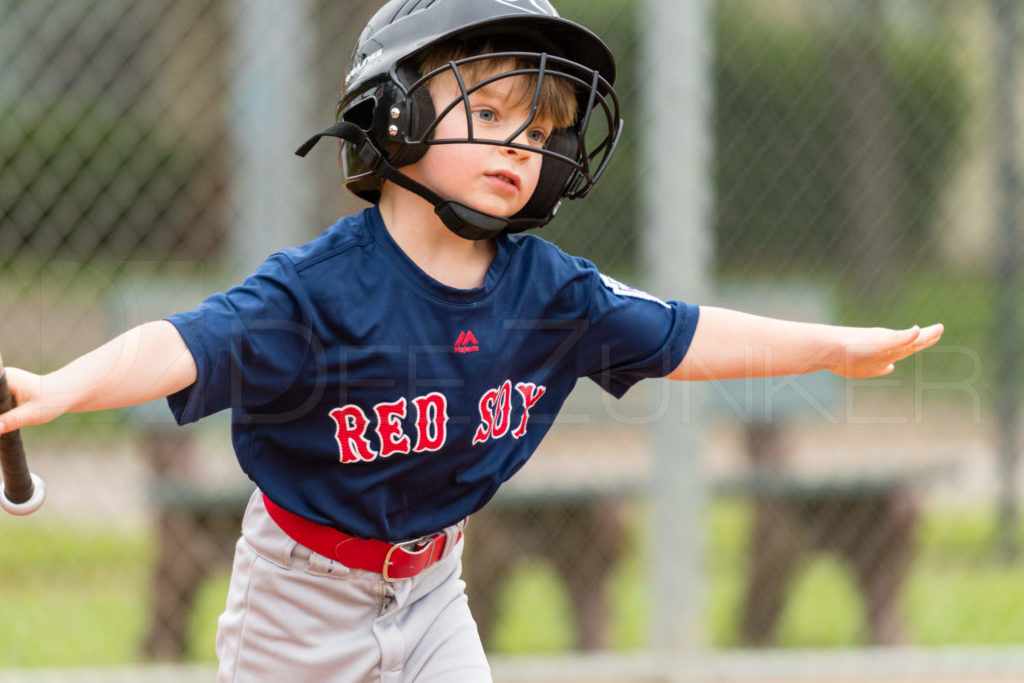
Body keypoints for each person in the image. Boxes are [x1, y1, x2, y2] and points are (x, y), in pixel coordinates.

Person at [0, 0, 943, 680]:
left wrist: (830, 346)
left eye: (537, 130)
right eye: (486, 114)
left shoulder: (548, 290)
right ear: (395, 113)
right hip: (298, 599)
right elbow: (186, 343)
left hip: (434, 588)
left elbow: (683, 335)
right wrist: (59, 387)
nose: (516, 146)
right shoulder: (319, 289)